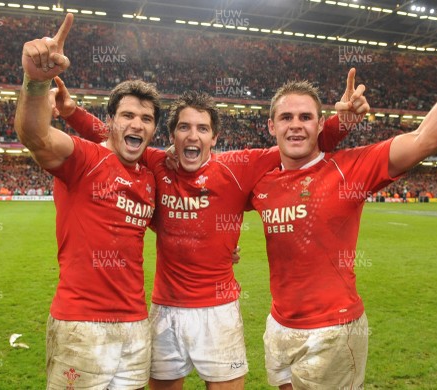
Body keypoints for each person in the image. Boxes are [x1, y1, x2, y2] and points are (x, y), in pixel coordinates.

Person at [54, 69, 367, 388]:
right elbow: (114, 135)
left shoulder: (238, 167)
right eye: (184, 128)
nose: (193, 136)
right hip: (165, 309)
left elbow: (299, 143)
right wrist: (72, 113)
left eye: (203, 128)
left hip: (219, 312)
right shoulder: (157, 163)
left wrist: (344, 122)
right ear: (172, 137)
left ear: (214, 138)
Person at [249, 22, 437, 389]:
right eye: (286, 118)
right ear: (271, 126)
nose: (296, 126)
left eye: (306, 117)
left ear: (321, 124)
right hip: (279, 325)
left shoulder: (351, 167)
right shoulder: (261, 179)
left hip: (334, 330)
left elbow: (426, 138)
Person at [14, 14, 160, 389]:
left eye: (146, 118)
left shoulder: (148, 176)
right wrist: (35, 81)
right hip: (82, 325)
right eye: (127, 115)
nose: (137, 124)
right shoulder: (84, 158)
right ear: (110, 121)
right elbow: (36, 135)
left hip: (135, 326)